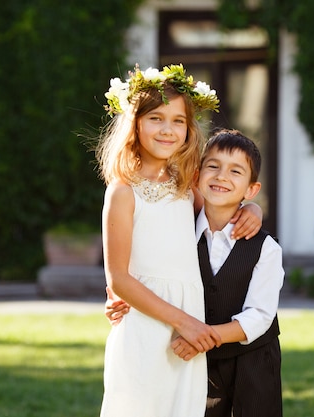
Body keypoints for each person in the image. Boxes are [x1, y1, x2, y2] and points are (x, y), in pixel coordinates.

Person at [95, 64, 262, 417]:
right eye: (156, 118)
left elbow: (223, 211)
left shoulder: (187, 183)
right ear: (135, 123)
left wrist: (253, 209)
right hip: (146, 326)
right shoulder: (123, 192)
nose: (168, 130)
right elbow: (119, 278)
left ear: (189, 129)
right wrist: (184, 323)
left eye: (178, 121)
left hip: (189, 327)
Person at [107, 129, 285, 417]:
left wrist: (201, 337)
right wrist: (119, 294)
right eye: (213, 166)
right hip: (197, 366)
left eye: (235, 171)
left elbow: (260, 316)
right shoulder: (182, 228)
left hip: (252, 366)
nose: (222, 176)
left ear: (251, 189)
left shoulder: (265, 249)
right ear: (197, 175)